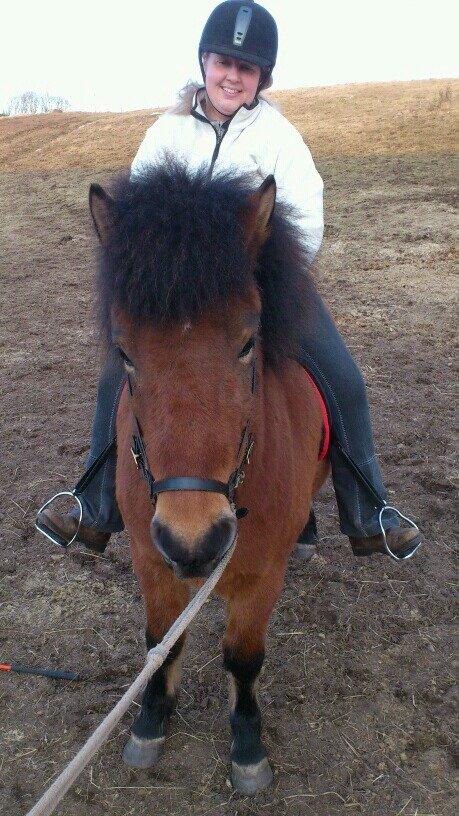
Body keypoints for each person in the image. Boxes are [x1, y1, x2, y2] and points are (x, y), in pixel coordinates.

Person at [36, 0, 420, 559]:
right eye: (223, 62)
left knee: (345, 379)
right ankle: (92, 506)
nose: (232, 77)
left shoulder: (279, 137)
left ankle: (368, 510)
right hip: (177, 297)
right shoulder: (166, 134)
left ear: (263, 78)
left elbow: (306, 218)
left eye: (247, 68)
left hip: (259, 286)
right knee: (115, 377)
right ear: (204, 62)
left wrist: (256, 272)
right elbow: (136, 220)